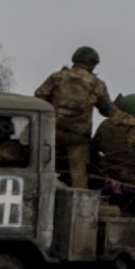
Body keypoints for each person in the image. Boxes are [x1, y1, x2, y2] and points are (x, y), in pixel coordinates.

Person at [35, 46, 113, 188]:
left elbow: (39, 97)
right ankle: (77, 198)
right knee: (79, 174)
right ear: (92, 63)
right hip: (78, 138)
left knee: (38, 166)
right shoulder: (97, 84)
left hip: (51, 132)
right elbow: (107, 110)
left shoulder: (57, 77)